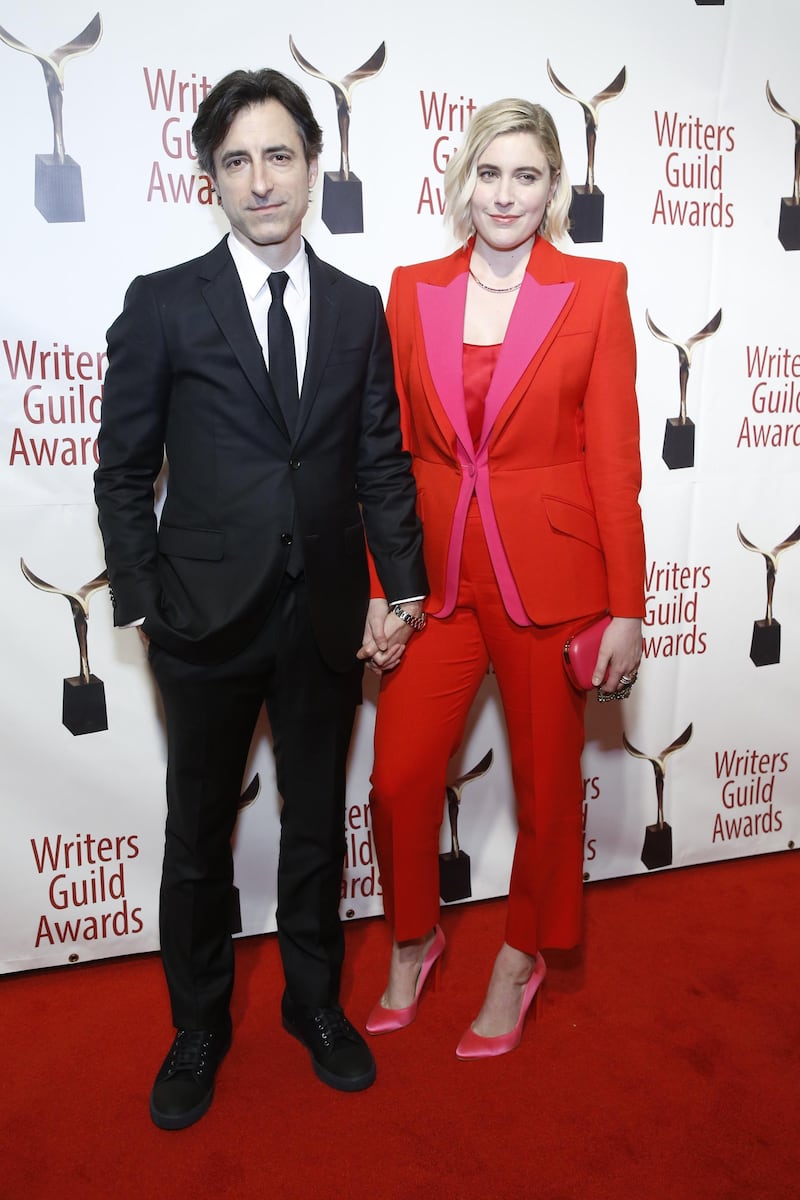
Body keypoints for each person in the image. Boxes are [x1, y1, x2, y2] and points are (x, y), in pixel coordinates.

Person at [94, 67, 427, 1129]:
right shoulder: (160, 304)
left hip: (324, 616)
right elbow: (120, 470)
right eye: (234, 161)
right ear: (210, 181)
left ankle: (314, 1004)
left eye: (277, 154)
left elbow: (379, 456)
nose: (258, 179)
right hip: (200, 621)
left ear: (313, 167)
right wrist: (145, 600)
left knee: (316, 826)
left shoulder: (356, 307)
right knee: (197, 835)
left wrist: (402, 589)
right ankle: (198, 1025)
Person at [365, 99, 645, 1058]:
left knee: (548, 793)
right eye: (490, 173)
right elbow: (388, 456)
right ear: (462, 182)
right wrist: (380, 584)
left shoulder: (595, 289)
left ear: (555, 188)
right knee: (399, 778)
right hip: (434, 582)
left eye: (528, 176)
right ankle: (413, 938)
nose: (506, 194)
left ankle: (520, 957)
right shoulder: (413, 290)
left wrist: (628, 607)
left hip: (553, 584)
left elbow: (613, 461)